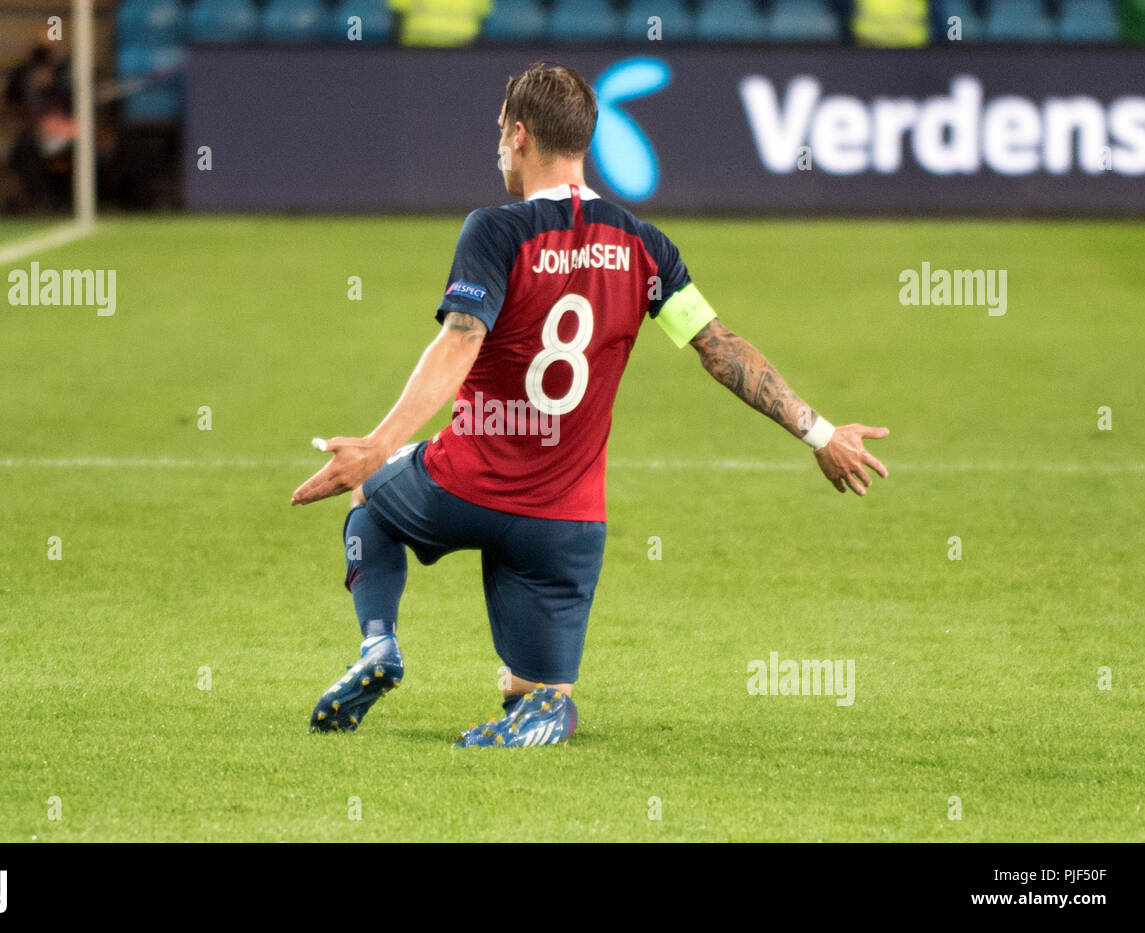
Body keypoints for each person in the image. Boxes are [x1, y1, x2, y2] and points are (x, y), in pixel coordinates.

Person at [291, 62, 889, 748]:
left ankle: (378, 646)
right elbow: (719, 349)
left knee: (368, 488)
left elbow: (459, 343)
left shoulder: (495, 230)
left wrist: (375, 442)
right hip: (566, 523)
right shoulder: (645, 246)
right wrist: (820, 433)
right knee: (536, 692)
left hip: (464, 483)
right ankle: (544, 709)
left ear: (519, 135)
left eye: (499, 136)